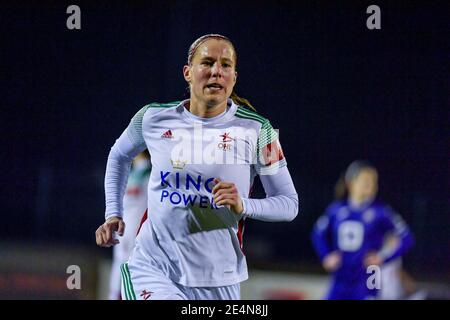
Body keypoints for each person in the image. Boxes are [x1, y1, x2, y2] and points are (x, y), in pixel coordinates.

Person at [95, 34, 299, 300]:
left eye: (226, 65)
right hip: (153, 267)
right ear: (188, 73)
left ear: (234, 77)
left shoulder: (259, 131)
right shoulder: (152, 118)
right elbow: (119, 155)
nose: (217, 71)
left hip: (220, 279)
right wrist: (113, 212)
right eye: (208, 62)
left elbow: (289, 204)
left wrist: (244, 204)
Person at [311, 160, 414, 300]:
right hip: (341, 279)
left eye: (374, 181)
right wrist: (326, 256)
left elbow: (407, 237)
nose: (371, 185)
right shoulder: (336, 210)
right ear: (351, 183)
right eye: (366, 180)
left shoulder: (381, 212)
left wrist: (383, 257)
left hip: (369, 279)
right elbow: (317, 234)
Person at [108, 150, 151, 300]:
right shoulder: (130, 173)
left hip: (137, 227)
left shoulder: (149, 172)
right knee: (120, 262)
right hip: (124, 226)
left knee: (133, 263)